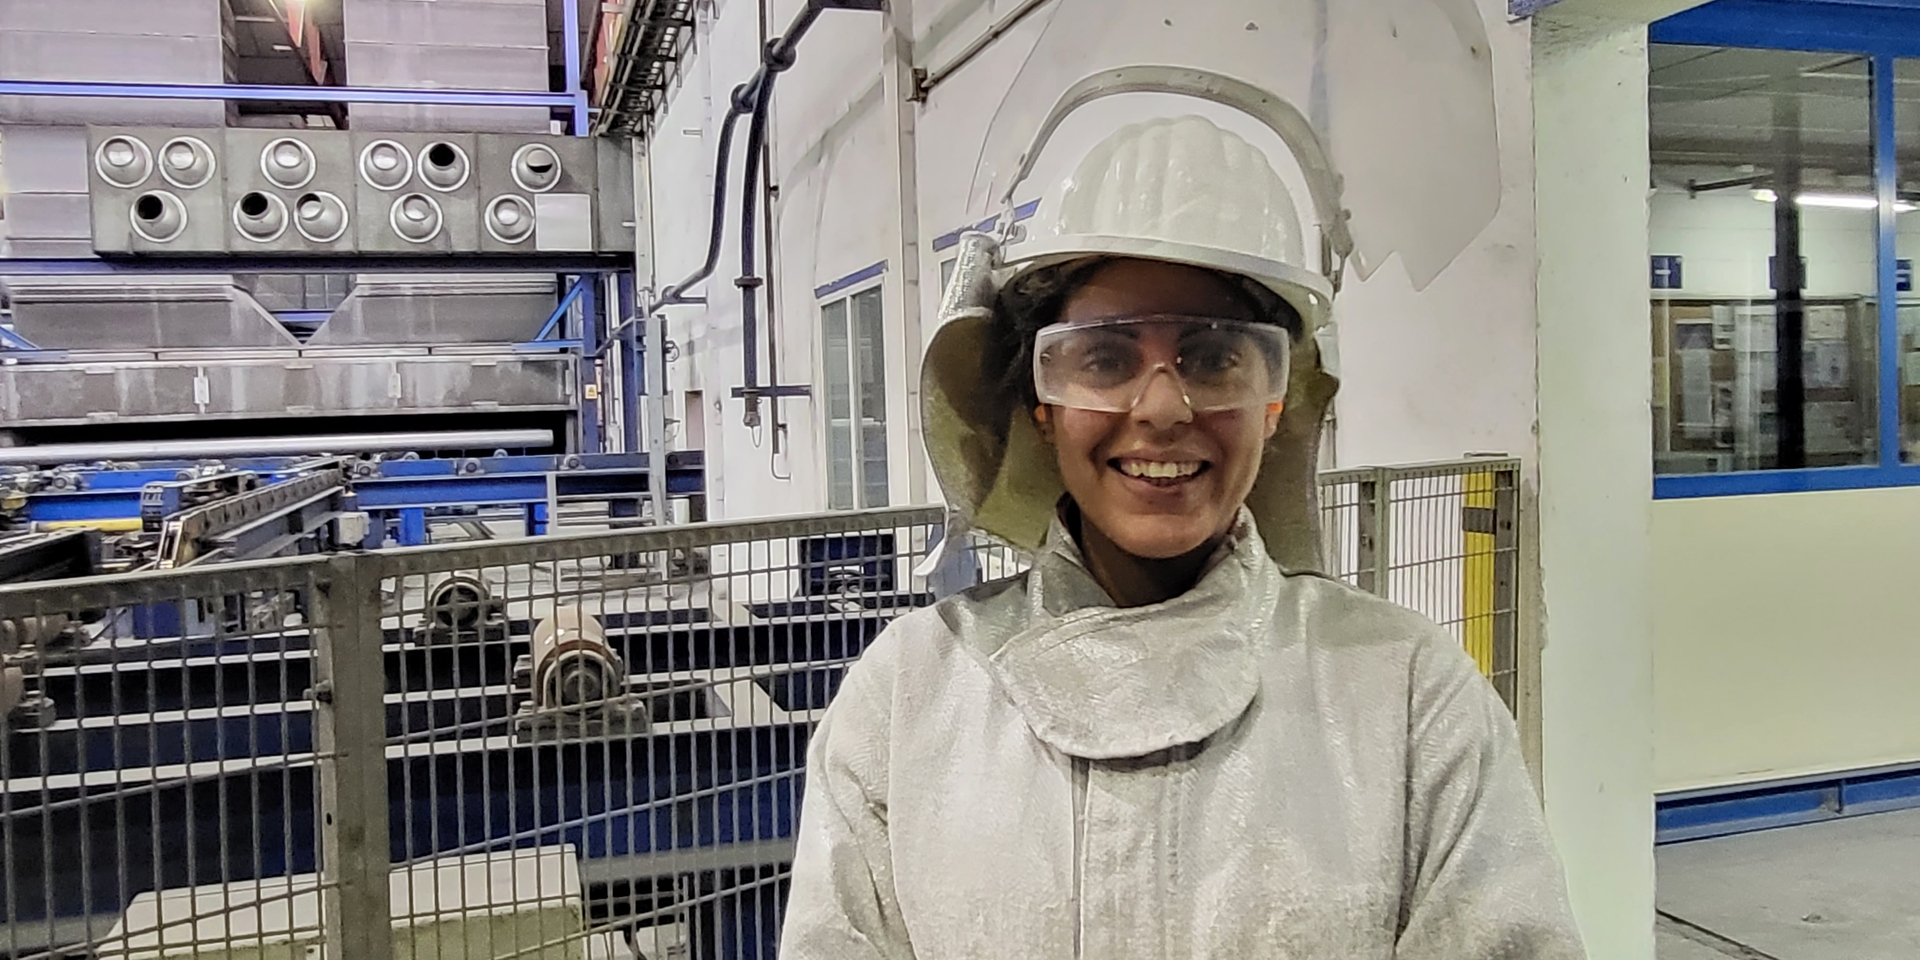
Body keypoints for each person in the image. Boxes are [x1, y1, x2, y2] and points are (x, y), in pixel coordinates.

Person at [778, 112, 1585, 958]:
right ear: (1039, 405)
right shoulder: (910, 695)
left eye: (1211, 356)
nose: (1162, 408)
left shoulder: (1410, 697)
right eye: (1102, 358)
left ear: (1276, 400)